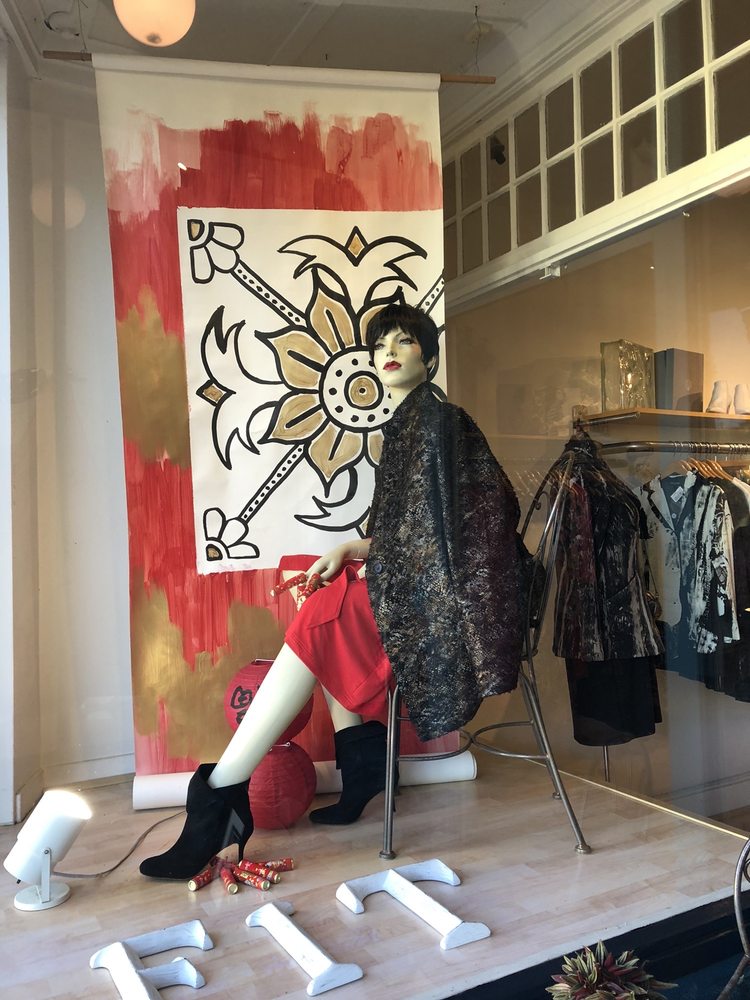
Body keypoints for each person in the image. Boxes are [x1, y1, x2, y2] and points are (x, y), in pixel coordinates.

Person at [140, 303, 523, 880]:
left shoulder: (441, 422)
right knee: (326, 590)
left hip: (455, 600)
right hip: (423, 584)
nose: (388, 352)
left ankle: (219, 801)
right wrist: (350, 551)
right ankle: (360, 764)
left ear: (429, 356)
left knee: (326, 612)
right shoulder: (407, 424)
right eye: (380, 345)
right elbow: (408, 529)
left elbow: (471, 525)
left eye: (403, 341)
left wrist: (382, 565)